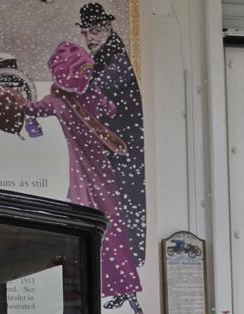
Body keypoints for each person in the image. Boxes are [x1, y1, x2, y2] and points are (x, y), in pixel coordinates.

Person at [20, 42, 146, 314]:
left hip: (89, 173)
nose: (87, 75)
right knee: (105, 227)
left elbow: (33, 108)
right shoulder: (83, 96)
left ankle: (118, 289)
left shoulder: (60, 100)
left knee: (100, 228)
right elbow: (110, 108)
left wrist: (15, 100)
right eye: (84, 69)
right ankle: (118, 290)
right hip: (95, 172)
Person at [79, 3, 146, 268]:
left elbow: (93, 95)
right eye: (86, 32)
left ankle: (126, 268)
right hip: (117, 151)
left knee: (125, 212)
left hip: (124, 154)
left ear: (108, 28)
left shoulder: (114, 60)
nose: (90, 37)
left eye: (95, 30)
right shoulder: (104, 56)